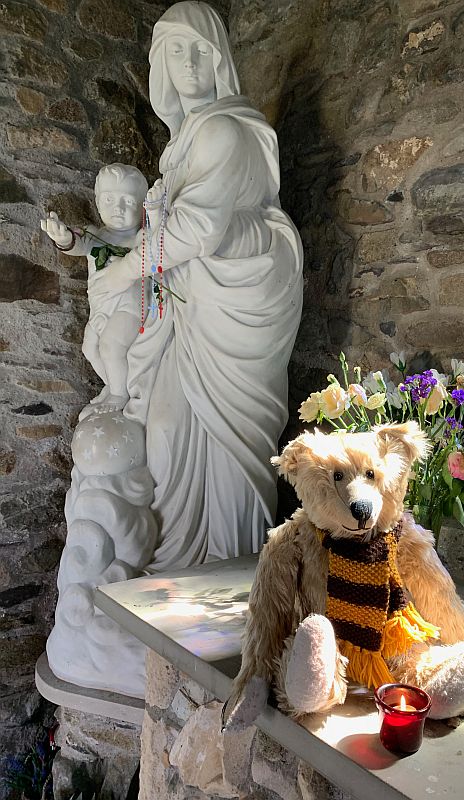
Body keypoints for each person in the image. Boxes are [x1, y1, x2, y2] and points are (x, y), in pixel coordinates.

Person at [87, 1, 303, 567]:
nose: (186, 63)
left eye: (197, 50)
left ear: (217, 61)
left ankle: (224, 574)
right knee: (161, 432)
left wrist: (118, 272)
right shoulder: (180, 147)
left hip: (235, 314)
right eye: (172, 51)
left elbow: (197, 227)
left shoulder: (225, 132)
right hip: (191, 313)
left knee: (226, 449)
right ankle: (174, 567)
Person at [41, 164, 149, 412]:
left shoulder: (141, 238)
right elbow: (76, 244)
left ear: (142, 206)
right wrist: (63, 237)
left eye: (128, 201)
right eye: (109, 200)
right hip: (101, 306)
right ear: (98, 203)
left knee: (111, 345)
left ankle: (120, 395)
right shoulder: (94, 235)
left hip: (129, 306)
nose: (118, 209)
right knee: (90, 348)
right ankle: (113, 385)